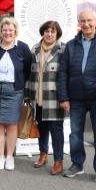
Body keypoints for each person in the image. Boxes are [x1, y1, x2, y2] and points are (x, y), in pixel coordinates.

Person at [58, 9, 96, 181]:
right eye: (83, 21)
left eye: (89, 20)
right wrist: (64, 97)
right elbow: (63, 72)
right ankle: (77, 164)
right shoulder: (71, 45)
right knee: (75, 134)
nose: (86, 24)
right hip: (76, 97)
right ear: (78, 23)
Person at [0, 17, 32, 171]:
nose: (7, 33)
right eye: (4, 30)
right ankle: (0, 156)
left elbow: (27, 70)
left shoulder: (23, 48)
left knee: (12, 124)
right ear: (0, 31)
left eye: (10, 30)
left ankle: (10, 157)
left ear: (15, 32)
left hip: (14, 91)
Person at [25, 21, 66, 175]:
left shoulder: (63, 49)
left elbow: (66, 75)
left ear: (57, 34)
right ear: (43, 32)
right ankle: (43, 155)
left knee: (56, 130)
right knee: (41, 128)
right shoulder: (35, 48)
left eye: (52, 32)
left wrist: (65, 98)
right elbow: (29, 73)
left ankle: (58, 161)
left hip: (55, 98)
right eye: (47, 31)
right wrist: (27, 95)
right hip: (38, 97)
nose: (49, 34)